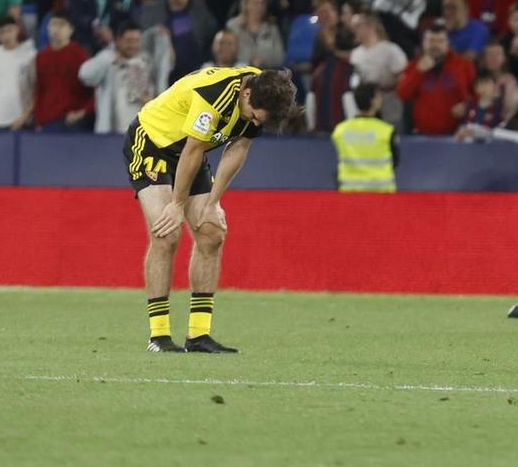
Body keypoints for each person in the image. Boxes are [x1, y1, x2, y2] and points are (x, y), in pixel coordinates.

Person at [124, 62, 298, 352]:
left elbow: (238, 148)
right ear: (246, 96)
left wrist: (213, 203)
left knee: (211, 232)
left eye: (261, 122)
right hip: (153, 143)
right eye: (255, 117)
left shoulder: (262, 92)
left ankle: (198, 335)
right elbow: (193, 149)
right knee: (166, 235)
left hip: (192, 149)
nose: (256, 124)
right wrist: (177, 205)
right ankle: (159, 335)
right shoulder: (214, 95)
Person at [332, 82, 398, 193]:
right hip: (381, 194)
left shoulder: (340, 130)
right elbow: (395, 161)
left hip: (350, 193)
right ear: (373, 101)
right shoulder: (386, 131)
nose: (381, 99)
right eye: (378, 96)